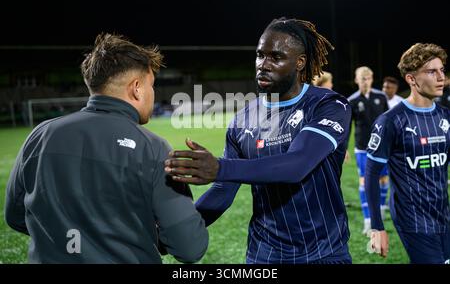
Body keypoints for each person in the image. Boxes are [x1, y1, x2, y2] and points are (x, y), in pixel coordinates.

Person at [4, 34, 208, 263]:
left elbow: (15, 216)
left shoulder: (40, 135)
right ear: (137, 88)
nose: (153, 93)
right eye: (152, 85)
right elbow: (190, 247)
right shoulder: (152, 148)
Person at [165, 18, 352, 264]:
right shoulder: (243, 119)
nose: (263, 65)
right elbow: (223, 190)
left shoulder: (328, 105)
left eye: (276, 57)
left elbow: (297, 164)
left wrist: (220, 168)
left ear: (300, 63)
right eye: (260, 55)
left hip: (324, 253)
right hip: (264, 255)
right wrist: (177, 230)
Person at [365, 43, 450, 263]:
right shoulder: (391, 121)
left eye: (442, 70)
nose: (441, 77)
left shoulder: (445, 117)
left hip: (443, 215)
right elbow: (372, 174)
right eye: (432, 71)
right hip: (412, 219)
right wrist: (377, 227)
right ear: (411, 79)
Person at [348, 66, 390, 235]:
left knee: (383, 180)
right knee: (364, 181)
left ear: (372, 79)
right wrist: (344, 148)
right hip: (362, 148)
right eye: (362, 78)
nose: (365, 81)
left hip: (381, 147)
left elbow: (388, 121)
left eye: (368, 78)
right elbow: (347, 128)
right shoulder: (351, 100)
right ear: (356, 80)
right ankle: (368, 219)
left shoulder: (381, 97)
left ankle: (379, 209)